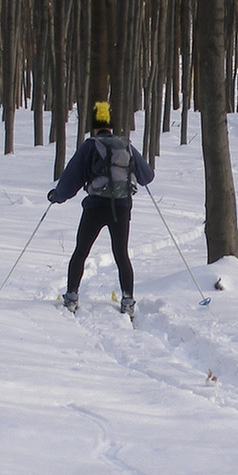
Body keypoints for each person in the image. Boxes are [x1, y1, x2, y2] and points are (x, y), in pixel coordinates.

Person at [48, 101, 155, 316]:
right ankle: (128, 300)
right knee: (121, 254)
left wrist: (56, 196)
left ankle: (71, 297)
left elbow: (71, 180)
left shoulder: (90, 146)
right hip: (122, 208)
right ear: (111, 125)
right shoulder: (125, 146)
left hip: (95, 207)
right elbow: (147, 176)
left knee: (80, 252)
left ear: (93, 126)